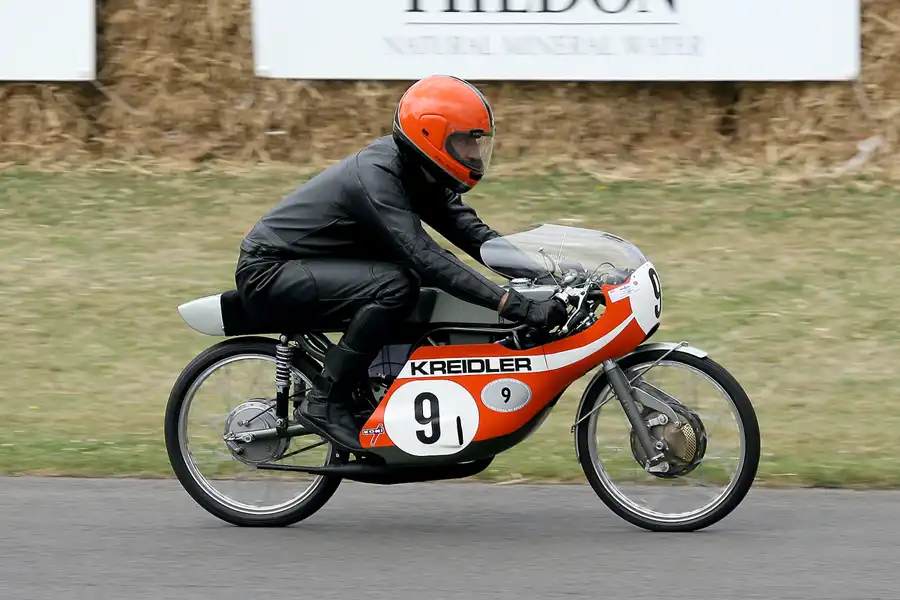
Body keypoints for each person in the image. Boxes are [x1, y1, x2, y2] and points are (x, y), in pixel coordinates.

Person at [234, 74, 568, 450]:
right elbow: (426, 257)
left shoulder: (421, 171)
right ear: (431, 137)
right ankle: (326, 400)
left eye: (478, 141)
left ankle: (379, 394)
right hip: (270, 270)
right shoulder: (377, 176)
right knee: (398, 285)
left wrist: (552, 276)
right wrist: (513, 305)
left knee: (417, 288)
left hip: (311, 264)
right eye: (465, 140)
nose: (475, 153)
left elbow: (475, 236)